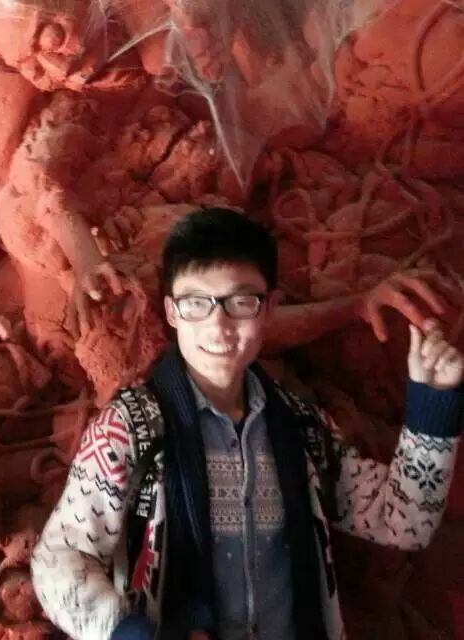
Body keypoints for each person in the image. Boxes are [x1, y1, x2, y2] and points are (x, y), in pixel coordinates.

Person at [31, 207, 463, 640]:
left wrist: (433, 404)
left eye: (241, 303)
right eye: (196, 304)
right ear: (171, 312)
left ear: (269, 308)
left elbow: (403, 521)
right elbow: (59, 558)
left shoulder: (302, 429)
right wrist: (125, 631)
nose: (218, 326)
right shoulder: (128, 429)